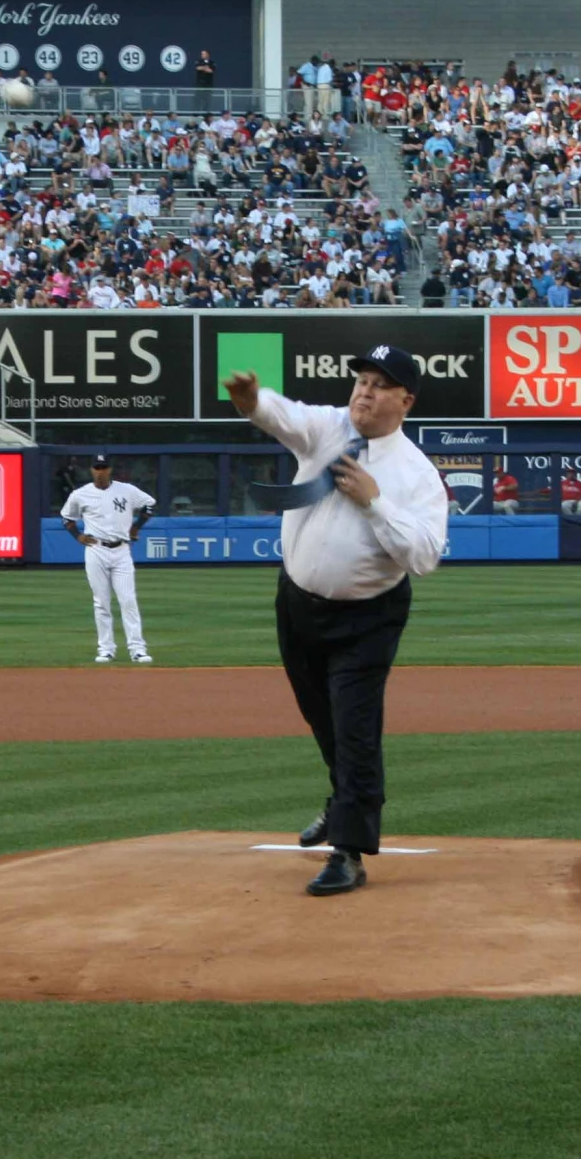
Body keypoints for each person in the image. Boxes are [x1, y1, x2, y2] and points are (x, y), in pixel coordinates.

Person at [227, 345, 448, 897]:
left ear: (406, 400)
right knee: (321, 718)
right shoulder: (329, 429)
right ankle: (342, 800)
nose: (364, 392)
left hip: (367, 618)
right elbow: (286, 415)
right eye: (361, 381)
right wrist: (253, 402)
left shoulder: (416, 475)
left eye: (379, 384)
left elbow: (424, 556)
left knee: (354, 728)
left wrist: (376, 503)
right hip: (297, 603)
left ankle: (348, 850)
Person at [59, 454, 155, 664]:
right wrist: (78, 536)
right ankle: (106, 649)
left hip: (121, 550)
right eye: (97, 468)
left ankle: (137, 649)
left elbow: (149, 505)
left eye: (104, 467)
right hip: (96, 550)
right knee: (101, 602)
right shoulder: (80, 494)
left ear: (110, 470)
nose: (100, 471)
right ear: (91, 470)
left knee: (128, 600)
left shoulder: (126, 490)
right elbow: (66, 517)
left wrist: (136, 527)